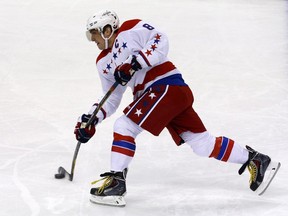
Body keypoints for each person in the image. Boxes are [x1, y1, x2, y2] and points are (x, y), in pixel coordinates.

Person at [74, 10, 280, 206]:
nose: (93, 40)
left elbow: (160, 39)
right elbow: (110, 97)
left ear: (107, 29)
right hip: (164, 95)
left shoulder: (129, 28)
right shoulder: (103, 62)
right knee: (202, 144)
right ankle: (256, 160)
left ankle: (116, 183)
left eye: (94, 33)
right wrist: (91, 119)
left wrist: (137, 61)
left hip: (164, 85)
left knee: (124, 126)